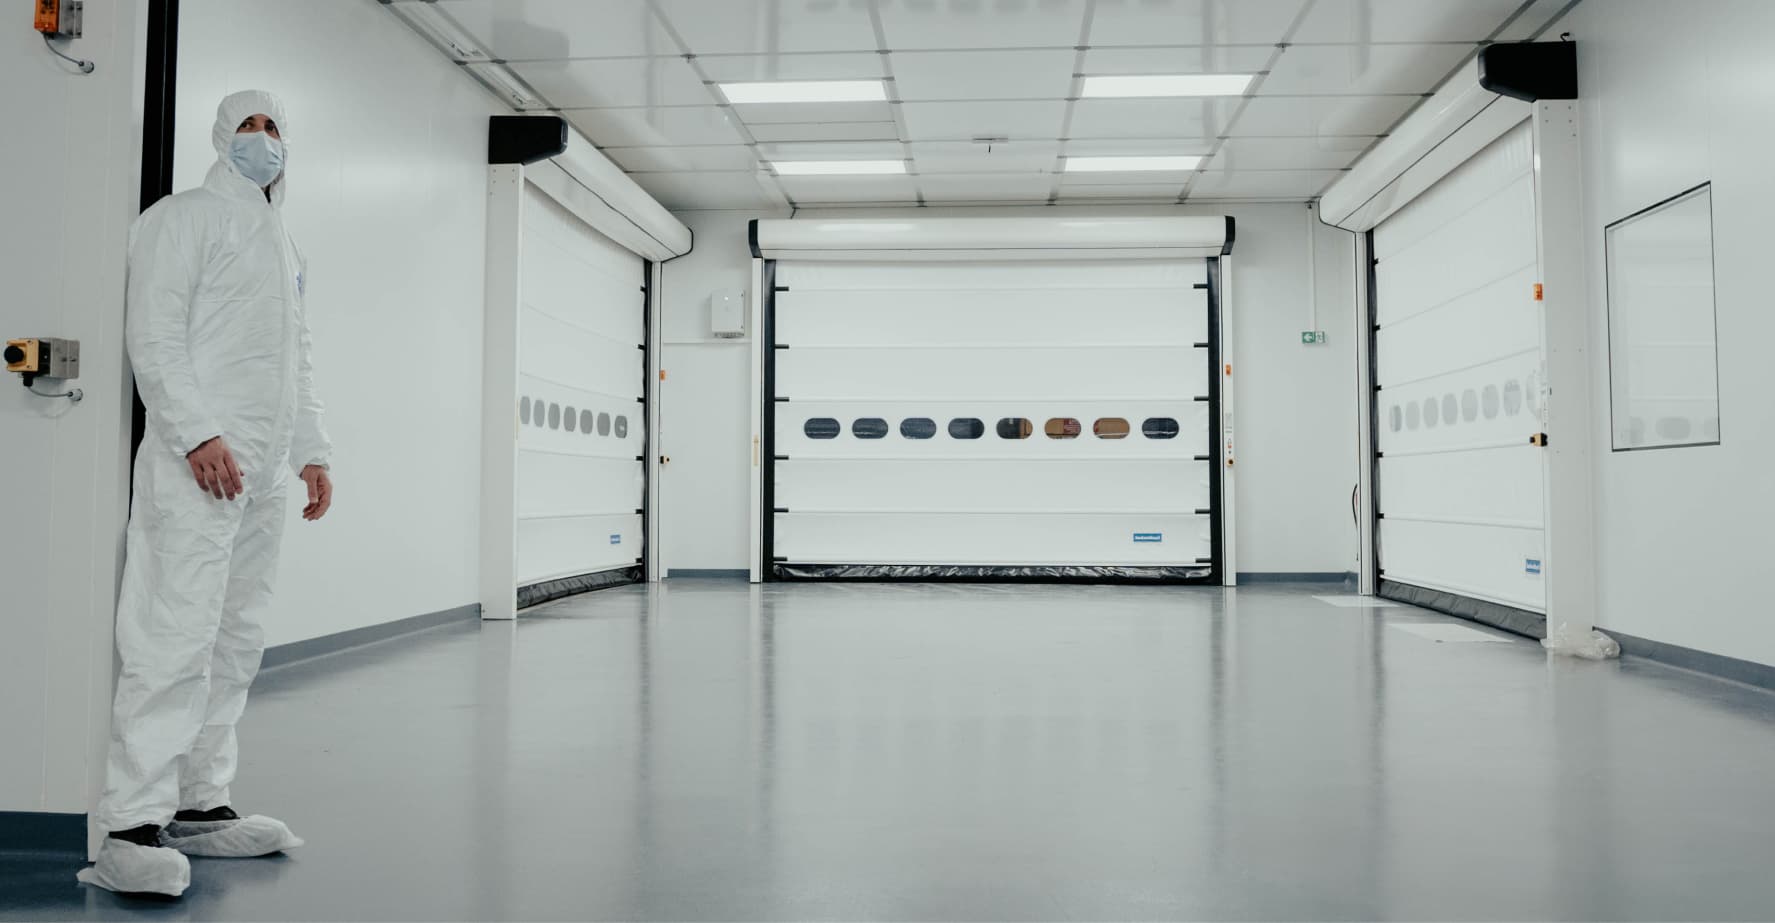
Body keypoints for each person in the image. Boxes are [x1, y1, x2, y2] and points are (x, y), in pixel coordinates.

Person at [77, 89, 334, 898]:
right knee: (172, 633)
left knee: (235, 637)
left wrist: (311, 451)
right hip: (198, 466)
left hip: (259, 474)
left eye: (274, 128)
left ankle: (199, 803)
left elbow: (295, 359)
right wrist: (195, 432)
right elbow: (151, 332)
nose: (264, 141)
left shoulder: (283, 242)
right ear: (223, 139)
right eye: (249, 127)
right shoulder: (181, 217)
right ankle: (130, 824)